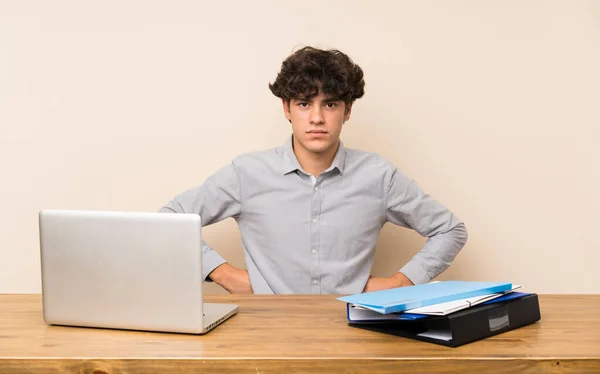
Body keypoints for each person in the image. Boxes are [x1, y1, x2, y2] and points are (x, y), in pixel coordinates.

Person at [160, 46, 468, 295]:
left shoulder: (379, 176)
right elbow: (169, 220)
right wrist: (224, 275)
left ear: (348, 111)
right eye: (305, 104)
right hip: (265, 332)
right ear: (287, 109)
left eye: (330, 104)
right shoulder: (247, 173)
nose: (317, 118)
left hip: (352, 332)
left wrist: (401, 283)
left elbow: (450, 230)